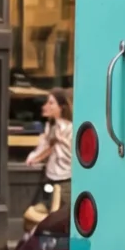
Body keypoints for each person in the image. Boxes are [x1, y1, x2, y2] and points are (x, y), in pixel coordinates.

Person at [23, 89, 73, 225]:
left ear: (61, 107)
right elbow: (45, 149)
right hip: (50, 180)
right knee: (34, 215)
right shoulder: (51, 127)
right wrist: (34, 157)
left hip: (64, 181)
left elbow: (72, 155)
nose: (46, 106)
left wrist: (60, 140)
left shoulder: (69, 128)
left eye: (51, 103)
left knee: (56, 220)